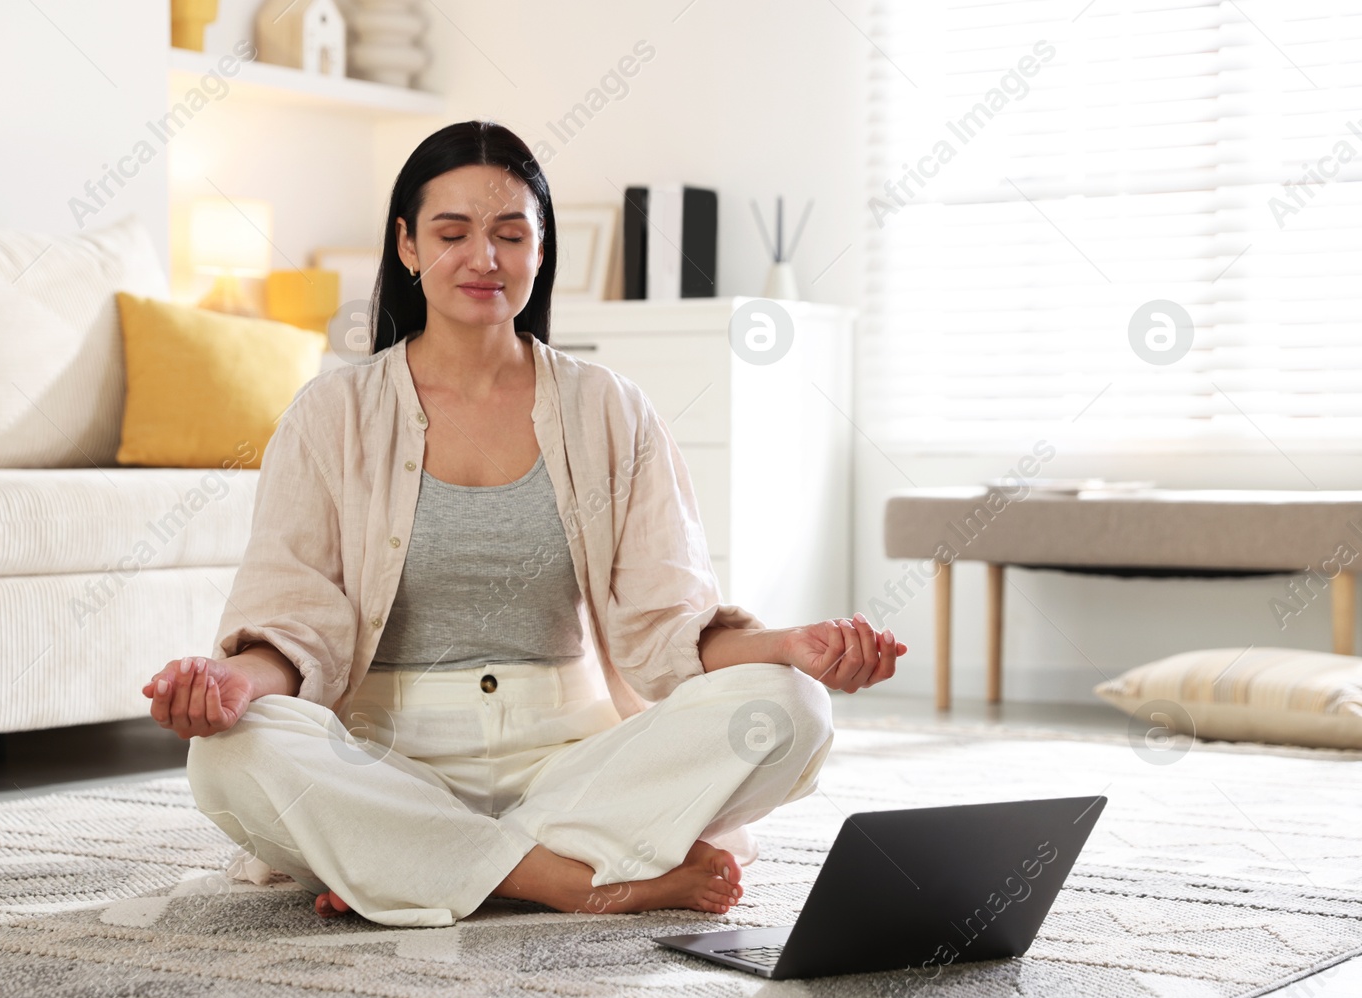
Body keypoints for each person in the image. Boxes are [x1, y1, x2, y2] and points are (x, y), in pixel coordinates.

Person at [141, 120, 907, 929]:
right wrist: (231, 685)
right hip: (384, 760)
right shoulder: (330, 414)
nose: (485, 258)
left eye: (511, 234)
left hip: (572, 759)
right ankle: (570, 880)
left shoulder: (611, 408)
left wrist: (788, 648)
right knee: (229, 751)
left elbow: (670, 625)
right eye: (452, 232)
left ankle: (416, 862)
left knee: (793, 707)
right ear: (405, 245)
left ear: (541, 252)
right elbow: (293, 629)